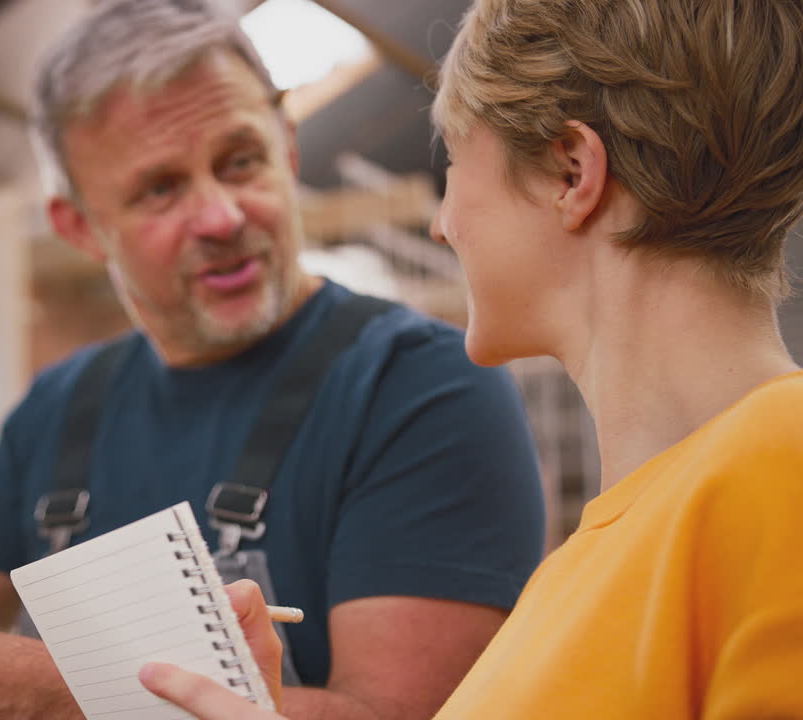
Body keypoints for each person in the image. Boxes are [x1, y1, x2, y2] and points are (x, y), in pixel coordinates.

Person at [0, 0, 547, 717]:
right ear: (79, 226)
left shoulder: (419, 384)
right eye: (160, 188)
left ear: (288, 149)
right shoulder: (63, 407)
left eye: (240, 161)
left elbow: (408, 717)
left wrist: (27, 696)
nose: (222, 216)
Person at [140, 0, 803, 717]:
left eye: (453, 161)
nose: (441, 223)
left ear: (571, 172)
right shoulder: (591, 563)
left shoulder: (780, 469)